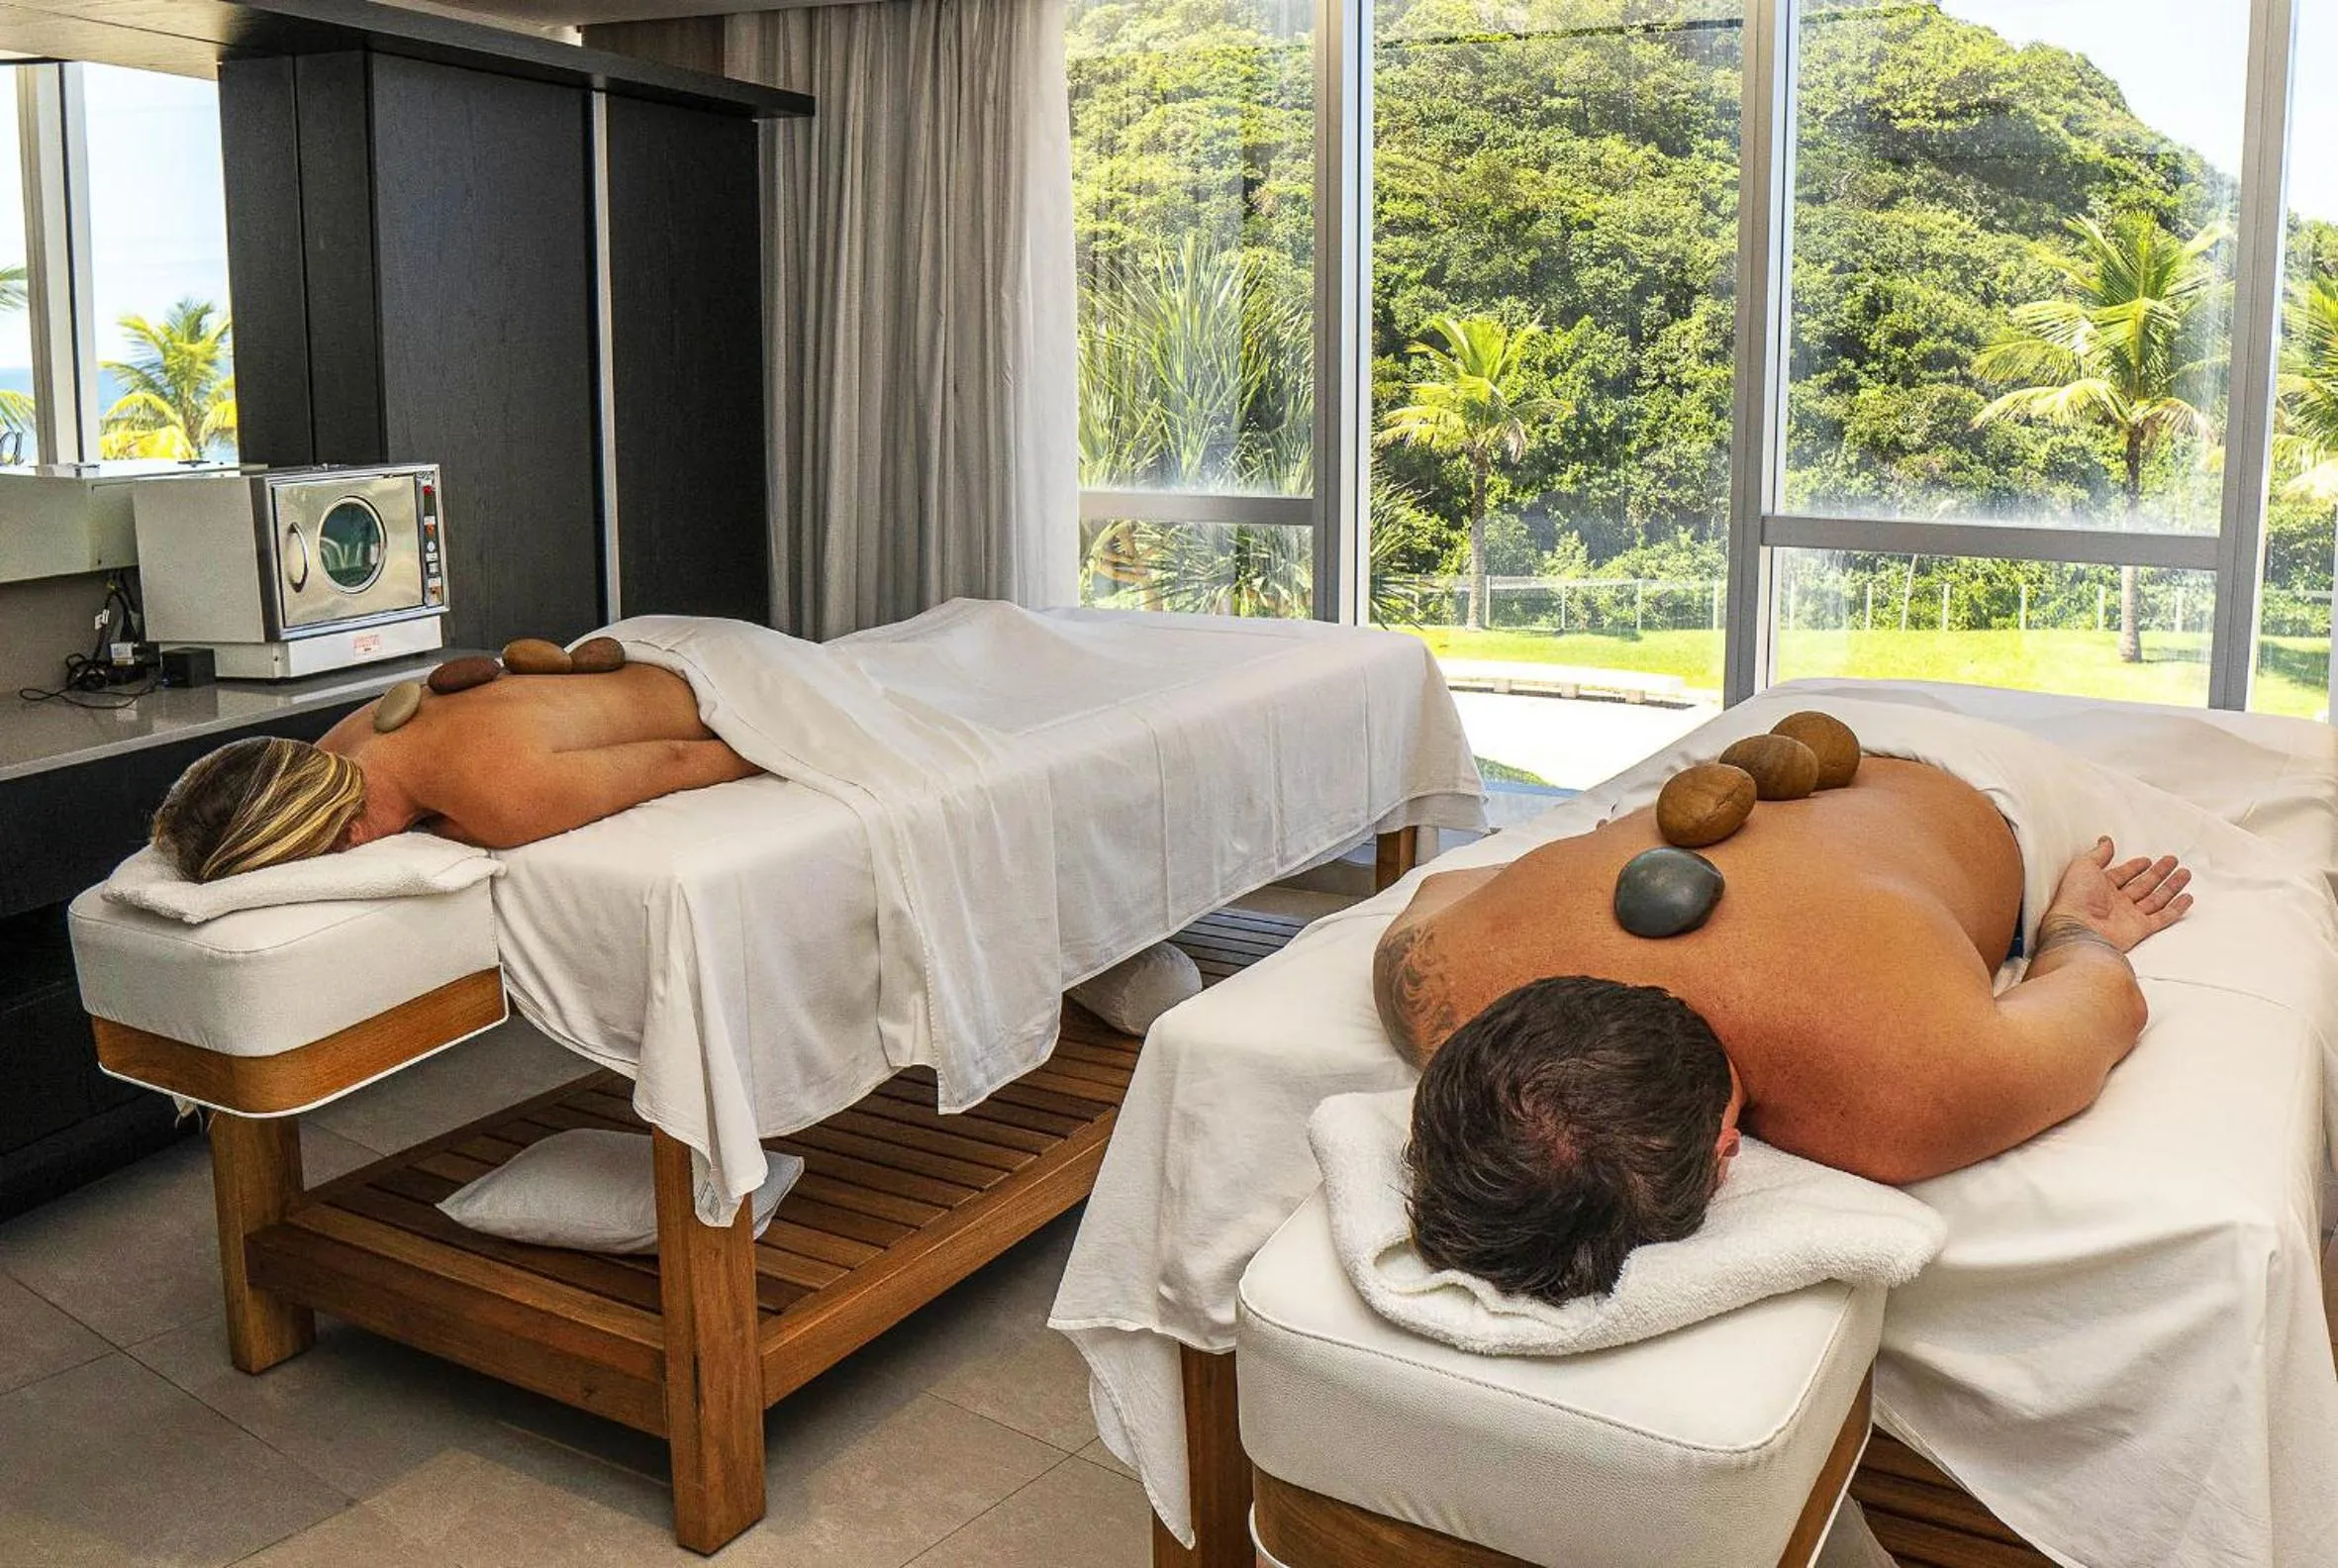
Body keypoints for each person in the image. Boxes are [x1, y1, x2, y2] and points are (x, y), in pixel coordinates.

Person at [1374, 755, 2193, 1305]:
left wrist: (2077, 931)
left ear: (1727, 1150)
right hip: (1760, 759)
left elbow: (2104, 998)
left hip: (1972, 771)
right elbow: (1456, 883)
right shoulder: (1435, 977)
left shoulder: (1913, 1091)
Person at [150, 662, 759, 882]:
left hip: (721, 682)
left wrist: (798, 748)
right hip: (641, 647)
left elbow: (679, 760)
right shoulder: (335, 748)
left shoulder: (499, 799)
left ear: (351, 836)